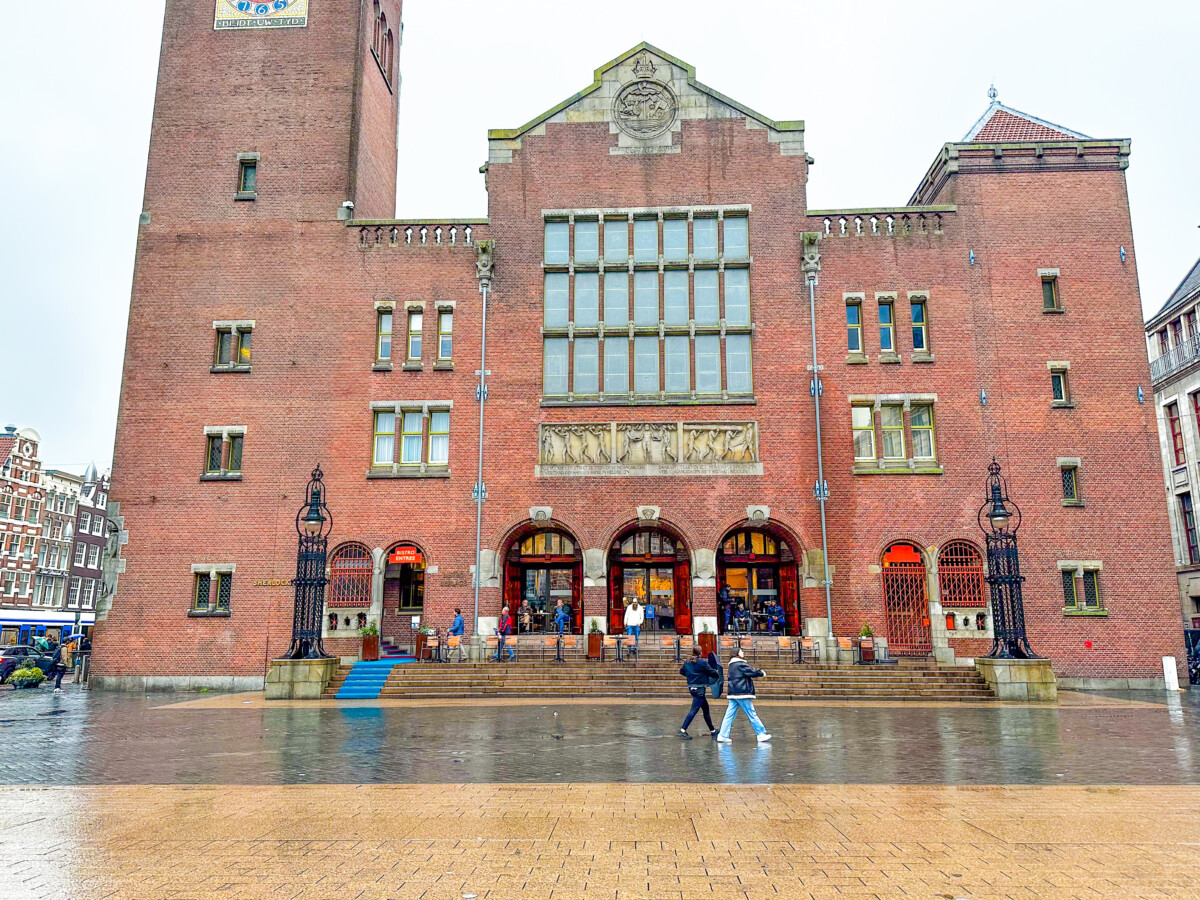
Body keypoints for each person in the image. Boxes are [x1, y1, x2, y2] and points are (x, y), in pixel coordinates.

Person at [716, 649, 771, 743]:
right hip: (742, 693)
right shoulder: (740, 664)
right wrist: (761, 672)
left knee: (729, 715)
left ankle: (722, 735)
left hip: (733, 692)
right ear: (737, 653)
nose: (743, 653)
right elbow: (751, 671)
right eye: (741, 651)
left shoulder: (732, 665)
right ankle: (761, 733)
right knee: (751, 713)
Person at [678, 647, 719, 738]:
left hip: (692, 688)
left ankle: (712, 731)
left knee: (706, 709)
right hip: (700, 689)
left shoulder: (687, 662)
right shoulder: (703, 662)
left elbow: (681, 671)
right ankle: (683, 730)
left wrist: (690, 676)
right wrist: (716, 673)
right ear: (700, 652)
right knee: (694, 710)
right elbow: (712, 673)